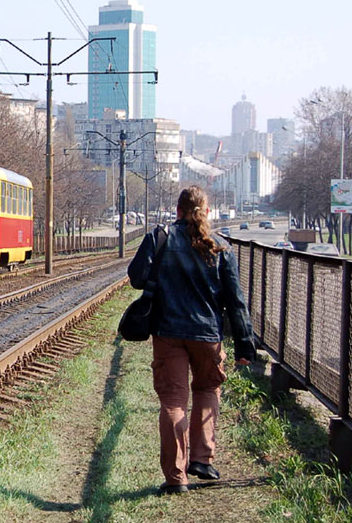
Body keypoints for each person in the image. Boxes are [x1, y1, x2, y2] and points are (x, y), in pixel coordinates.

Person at [128, 185, 256, 495]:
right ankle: (202, 460)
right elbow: (235, 300)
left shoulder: (159, 238)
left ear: (177, 210)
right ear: (207, 212)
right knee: (207, 389)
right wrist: (244, 344)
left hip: (168, 333)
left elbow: (136, 278)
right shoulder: (220, 247)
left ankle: (176, 479)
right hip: (207, 334)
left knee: (173, 402)